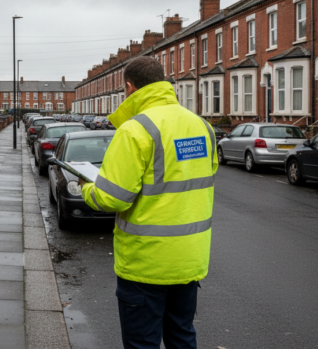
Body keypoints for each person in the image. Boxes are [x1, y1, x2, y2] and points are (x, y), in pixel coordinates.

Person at [79, 56, 217, 349]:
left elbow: (111, 197)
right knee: (182, 335)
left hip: (147, 263)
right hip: (189, 259)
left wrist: (86, 187)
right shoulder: (202, 126)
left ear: (129, 88)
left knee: (143, 343)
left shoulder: (135, 130)